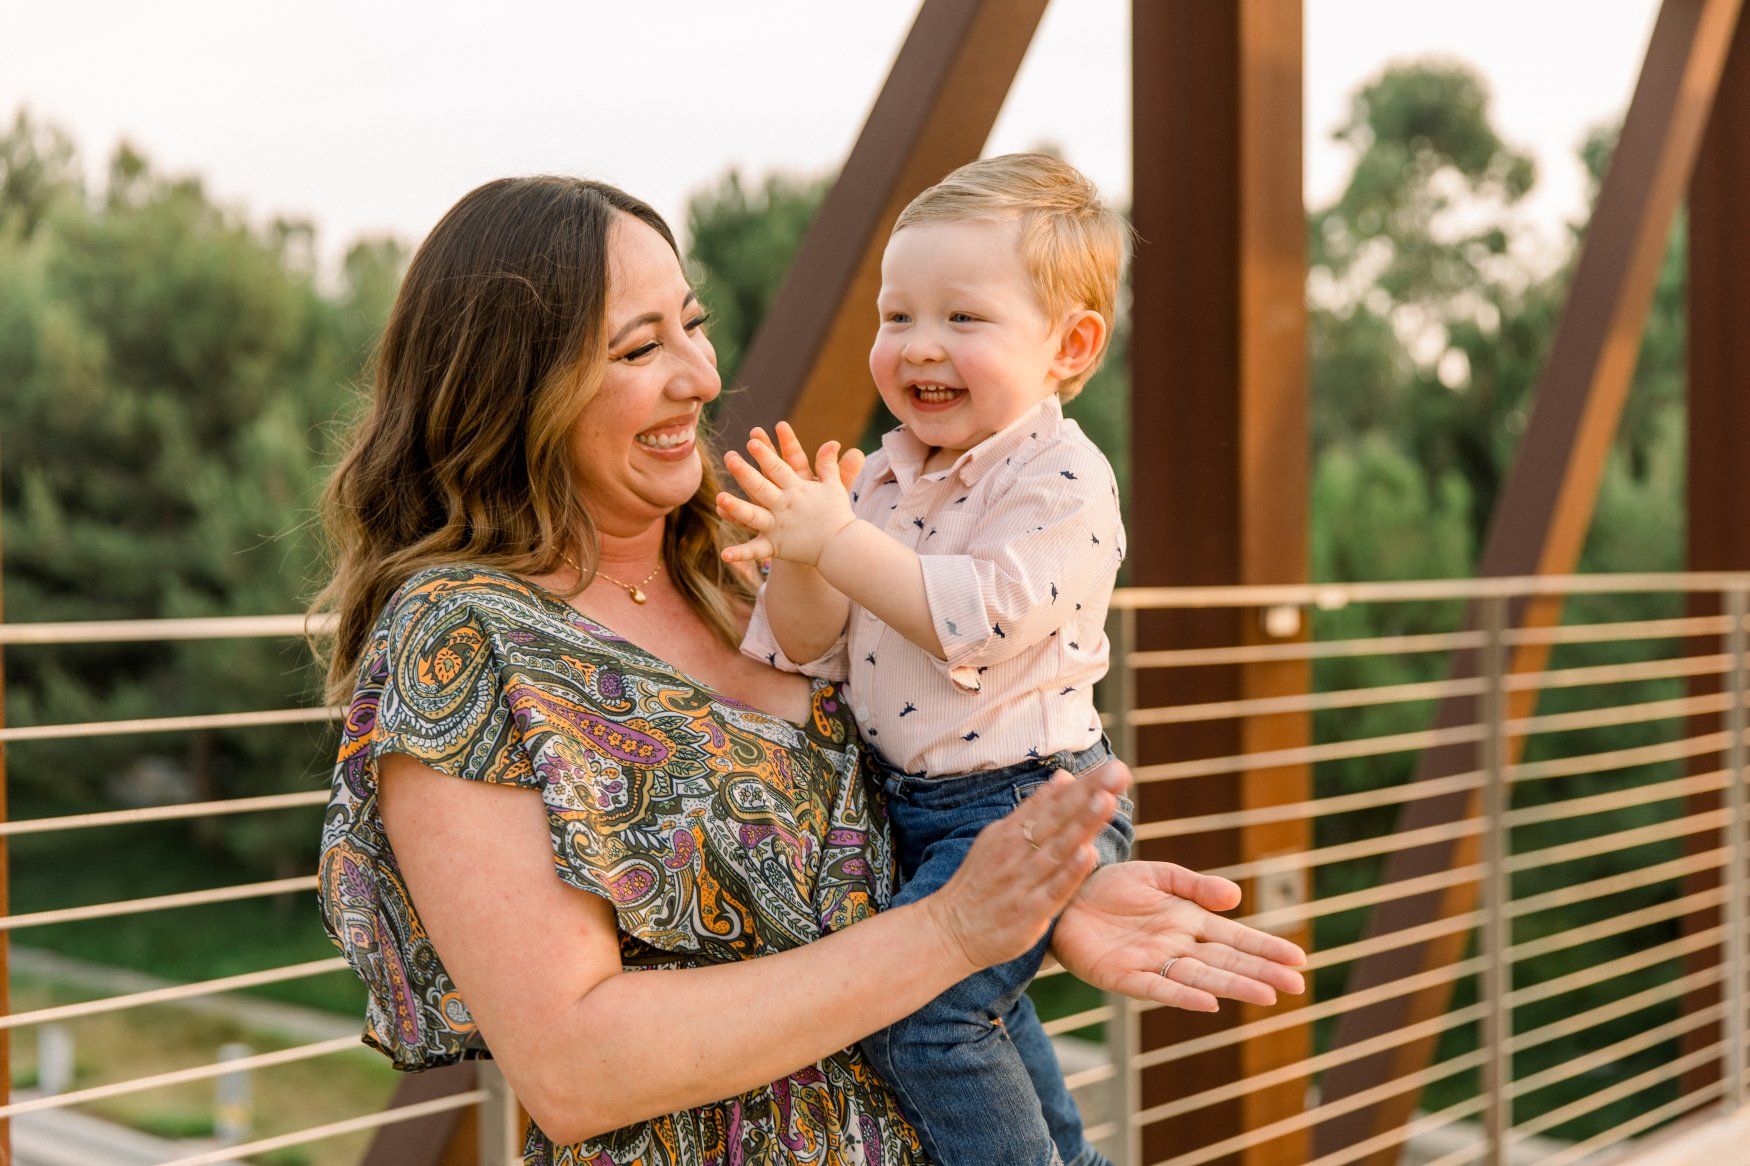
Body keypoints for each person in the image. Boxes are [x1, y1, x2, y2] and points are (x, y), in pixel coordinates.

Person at [313, 174, 1307, 1166]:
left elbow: (912, 811)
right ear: (515, 386)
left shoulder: (738, 576)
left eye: (690, 325)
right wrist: (953, 932)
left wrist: (1052, 898)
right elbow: (576, 1067)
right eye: (637, 348)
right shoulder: (461, 640)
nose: (700, 376)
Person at [717, 154, 1140, 1166]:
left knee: (925, 1019)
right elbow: (811, 643)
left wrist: (842, 544)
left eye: (962, 318)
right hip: (917, 803)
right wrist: (801, 556)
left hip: (1029, 799)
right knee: (977, 1009)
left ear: (1068, 346)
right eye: (895, 315)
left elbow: (976, 617)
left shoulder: (1065, 478)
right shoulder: (881, 475)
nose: (918, 347)